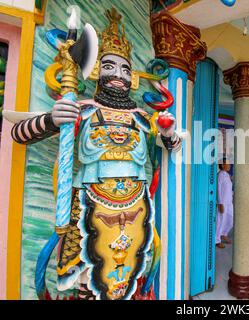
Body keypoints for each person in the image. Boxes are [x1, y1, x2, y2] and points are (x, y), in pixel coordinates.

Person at [8, 8, 181, 300]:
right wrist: (52, 119)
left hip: (137, 205)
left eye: (126, 70)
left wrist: (168, 134)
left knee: (132, 268)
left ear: (133, 80)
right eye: (110, 66)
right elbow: (19, 134)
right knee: (87, 276)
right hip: (91, 204)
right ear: (98, 70)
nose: (119, 75)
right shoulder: (83, 108)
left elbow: (172, 146)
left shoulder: (142, 116)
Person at [216, 160, 233, 249]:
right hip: (223, 202)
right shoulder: (220, 175)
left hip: (229, 202)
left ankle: (223, 234)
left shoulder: (227, 175)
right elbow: (218, 189)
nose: (229, 165)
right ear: (222, 165)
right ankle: (217, 240)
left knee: (230, 220)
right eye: (228, 163)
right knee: (220, 221)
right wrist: (220, 203)